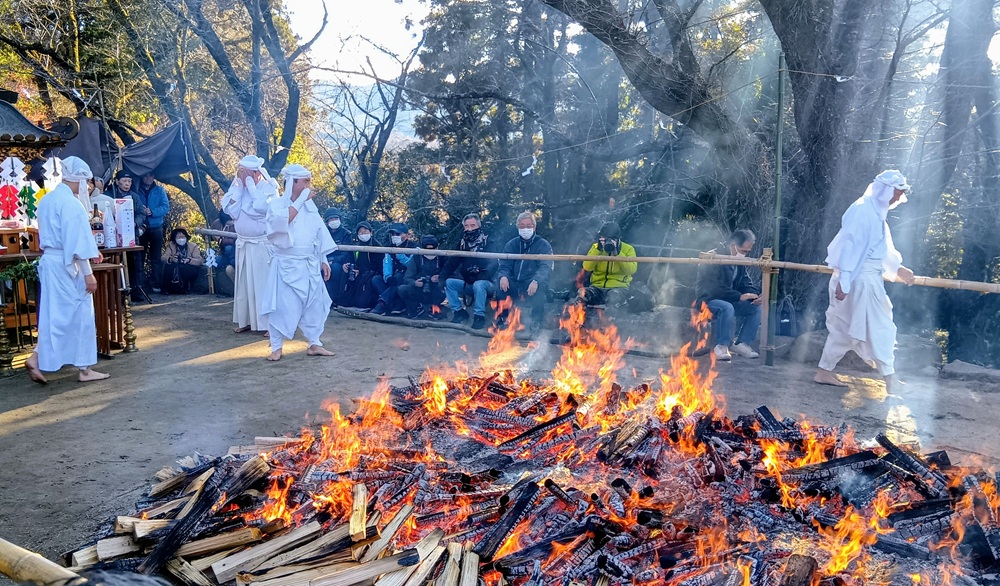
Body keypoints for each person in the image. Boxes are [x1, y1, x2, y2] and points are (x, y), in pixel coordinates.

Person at [815, 169, 915, 391]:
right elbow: (850, 247)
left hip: (864, 279)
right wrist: (846, 281)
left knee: (845, 328)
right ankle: (890, 379)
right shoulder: (862, 211)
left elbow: (880, 248)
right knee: (879, 326)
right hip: (859, 280)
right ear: (886, 190)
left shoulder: (876, 213)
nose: (899, 198)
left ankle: (824, 370)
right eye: (897, 193)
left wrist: (898, 268)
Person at [24, 156, 109, 384]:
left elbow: (69, 238)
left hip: (51, 261)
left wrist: (90, 253)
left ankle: (38, 356)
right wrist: (88, 272)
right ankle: (84, 368)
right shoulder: (71, 204)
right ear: (81, 180)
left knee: (56, 315)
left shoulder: (48, 200)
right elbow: (76, 242)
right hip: (67, 265)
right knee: (80, 314)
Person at [260, 164, 336, 361]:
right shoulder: (277, 205)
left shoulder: (311, 207)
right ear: (292, 182)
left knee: (315, 304)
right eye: (305, 181)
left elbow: (318, 234)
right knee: (282, 306)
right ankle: (276, 347)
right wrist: (302, 199)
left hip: (309, 263)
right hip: (286, 263)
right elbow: (283, 223)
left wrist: (323, 259)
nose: (309, 185)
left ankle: (314, 343)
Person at [221, 155, 277, 334]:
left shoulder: (269, 187)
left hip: (262, 244)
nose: (244, 175)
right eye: (241, 172)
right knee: (244, 286)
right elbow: (229, 210)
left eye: (246, 172)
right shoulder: (238, 187)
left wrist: (251, 186)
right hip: (243, 243)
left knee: (263, 285)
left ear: (256, 173)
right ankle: (246, 321)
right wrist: (240, 186)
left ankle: (270, 324)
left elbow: (262, 208)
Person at [694, 229, 762, 361]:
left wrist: (755, 295)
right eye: (743, 251)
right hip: (708, 300)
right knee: (727, 307)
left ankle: (742, 343)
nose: (745, 255)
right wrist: (739, 296)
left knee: (756, 308)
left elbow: (745, 282)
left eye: (748, 252)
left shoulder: (739, 262)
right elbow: (713, 287)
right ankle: (722, 345)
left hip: (731, 300)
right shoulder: (712, 257)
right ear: (732, 246)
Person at [496, 212, 553, 332]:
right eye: (522, 226)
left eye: (528, 225)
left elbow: (545, 266)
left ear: (534, 227)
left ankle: (536, 321)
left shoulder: (543, 245)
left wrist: (536, 280)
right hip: (515, 282)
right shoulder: (512, 244)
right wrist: (504, 276)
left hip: (531, 282)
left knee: (540, 287)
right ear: (517, 228)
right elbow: (504, 264)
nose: (525, 229)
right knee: (501, 284)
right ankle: (502, 318)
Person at [440, 213, 498, 330]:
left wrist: (482, 273)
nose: (469, 229)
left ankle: (479, 316)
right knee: (449, 282)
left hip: (488, 284)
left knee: (479, 284)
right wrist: (442, 277)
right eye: (466, 226)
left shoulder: (488, 242)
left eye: (473, 225)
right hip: (469, 283)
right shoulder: (462, 244)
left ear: (479, 226)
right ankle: (459, 312)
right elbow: (452, 262)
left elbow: (494, 263)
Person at [577, 222, 638, 318]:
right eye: (605, 238)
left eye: (612, 239)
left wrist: (618, 253)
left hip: (618, 288)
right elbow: (587, 267)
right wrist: (598, 249)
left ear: (617, 239)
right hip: (597, 288)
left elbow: (631, 270)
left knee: (613, 297)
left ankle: (608, 326)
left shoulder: (628, 249)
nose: (608, 241)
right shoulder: (596, 247)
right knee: (582, 293)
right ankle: (578, 325)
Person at [105, 169, 145, 300]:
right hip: (113, 235)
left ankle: (136, 290)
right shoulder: (109, 196)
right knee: (116, 262)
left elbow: (141, 213)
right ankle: (117, 293)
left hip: (131, 234)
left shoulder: (134, 196)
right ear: (117, 181)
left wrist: (135, 223)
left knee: (135, 263)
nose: (127, 183)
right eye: (124, 181)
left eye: (129, 181)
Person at [371, 222, 417, 315]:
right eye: (392, 234)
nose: (394, 236)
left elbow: (412, 266)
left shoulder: (414, 247)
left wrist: (400, 255)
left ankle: (382, 303)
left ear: (406, 235)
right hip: (393, 276)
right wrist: (387, 277)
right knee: (376, 279)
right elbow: (387, 262)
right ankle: (394, 305)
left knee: (399, 277)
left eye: (397, 234)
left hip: (407, 277)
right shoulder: (389, 246)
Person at [398, 235, 446, 319]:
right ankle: (416, 308)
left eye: (432, 249)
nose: (430, 252)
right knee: (402, 289)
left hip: (435, 290)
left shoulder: (443, 257)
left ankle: (435, 309)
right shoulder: (416, 257)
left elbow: (451, 275)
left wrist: (440, 278)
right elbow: (406, 278)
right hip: (419, 289)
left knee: (446, 287)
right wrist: (415, 282)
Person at [136, 173, 170, 293]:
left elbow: (165, 207)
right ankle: (141, 284)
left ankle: (157, 283)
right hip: (141, 227)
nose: (148, 178)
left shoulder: (159, 190)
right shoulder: (136, 189)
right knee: (140, 256)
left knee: (156, 257)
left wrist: (152, 212)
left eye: (151, 176)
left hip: (156, 226)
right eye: (145, 176)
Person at [342, 221, 383, 309]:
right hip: (357, 274)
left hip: (370, 276)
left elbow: (378, 267)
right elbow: (350, 258)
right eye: (360, 232)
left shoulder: (377, 246)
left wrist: (361, 271)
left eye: (365, 231)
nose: (363, 234)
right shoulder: (355, 246)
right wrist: (347, 265)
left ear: (371, 232)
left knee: (362, 302)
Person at [323, 207, 354, 306]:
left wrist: (333, 260)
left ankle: (333, 299)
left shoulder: (346, 234)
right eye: (331, 219)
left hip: (338, 262)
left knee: (334, 269)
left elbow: (346, 253)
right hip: (324, 259)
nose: (334, 221)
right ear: (327, 221)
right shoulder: (323, 232)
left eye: (336, 218)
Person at [161, 228, 204, 294]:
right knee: (169, 267)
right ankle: (166, 289)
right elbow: (163, 258)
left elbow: (199, 260)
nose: (181, 239)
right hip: (176, 268)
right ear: (174, 239)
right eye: (178, 237)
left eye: (183, 236)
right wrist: (171, 259)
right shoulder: (171, 246)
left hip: (189, 268)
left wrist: (189, 260)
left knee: (186, 268)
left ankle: (185, 288)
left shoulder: (193, 246)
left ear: (186, 237)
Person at [209, 209, 237, 279]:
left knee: (229, 248)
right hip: (223, 253)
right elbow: (209, 237)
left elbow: (233, 241)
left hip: (235, 252)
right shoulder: (217, 223)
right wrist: (214, 237)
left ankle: (234, 263)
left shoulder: (238, 223)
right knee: (213, 262)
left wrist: (220, 240)